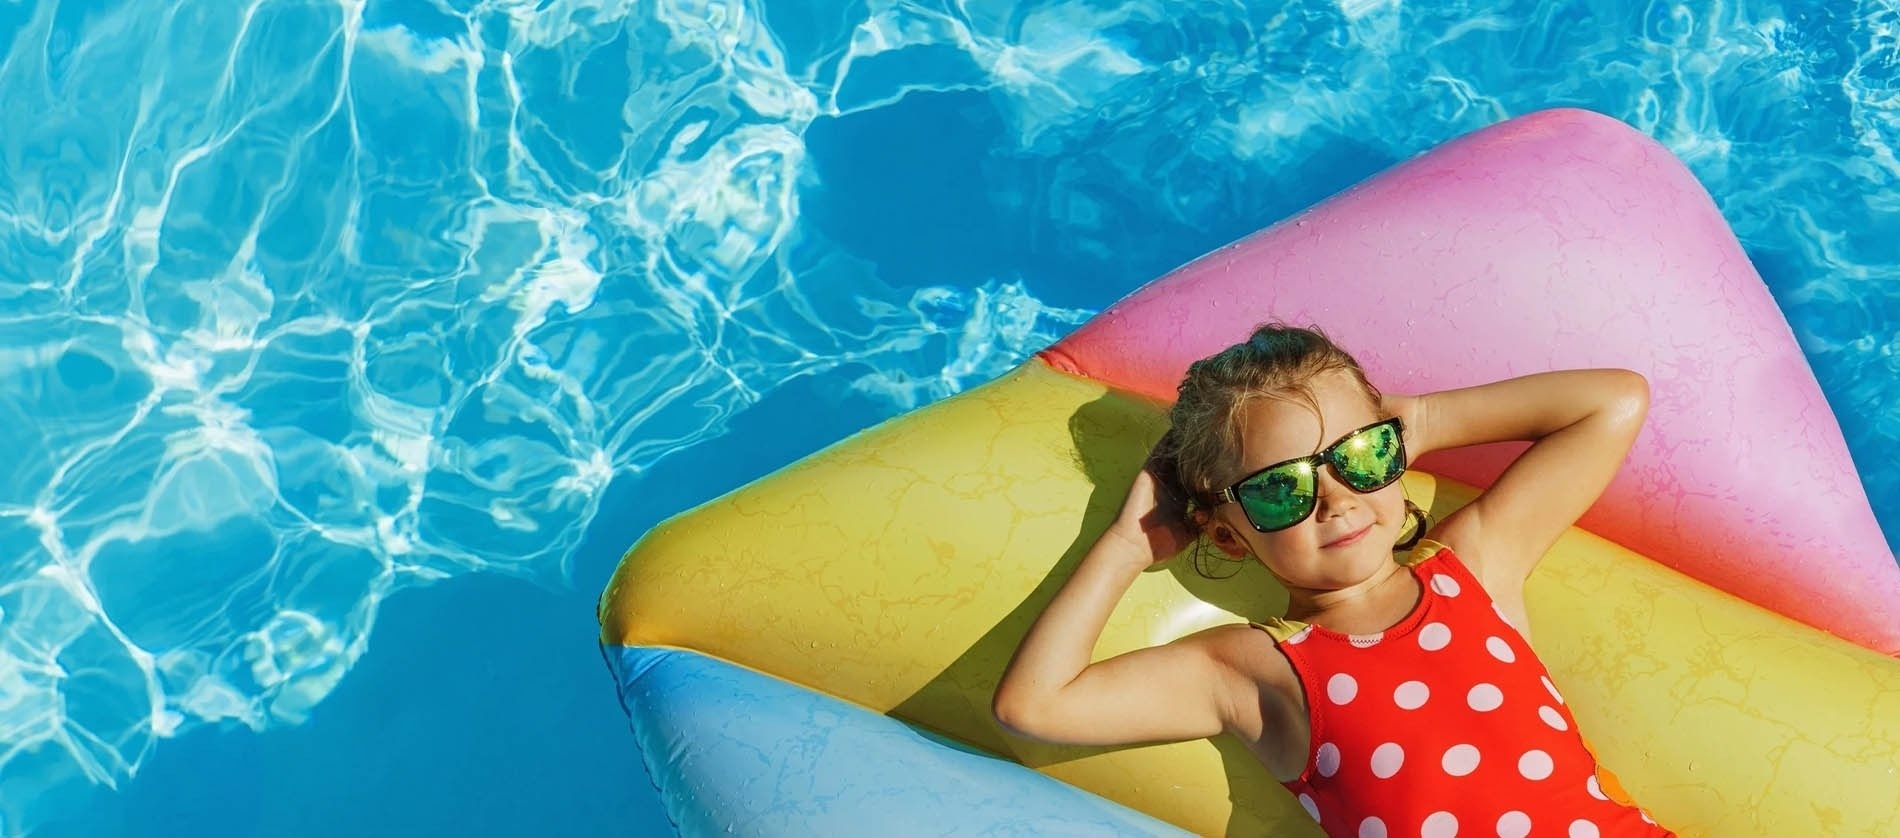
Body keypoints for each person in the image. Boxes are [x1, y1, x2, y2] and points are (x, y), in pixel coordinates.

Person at [992, 324, 1671, 837]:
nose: (1336, 499)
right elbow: (1036, 705)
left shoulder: (1473, 566)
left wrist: (1427, 421)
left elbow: (1613, 401)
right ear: (1228, 533)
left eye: (1360, 456)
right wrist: (1124, 546)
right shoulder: (1255, 667)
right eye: (1279, 491)